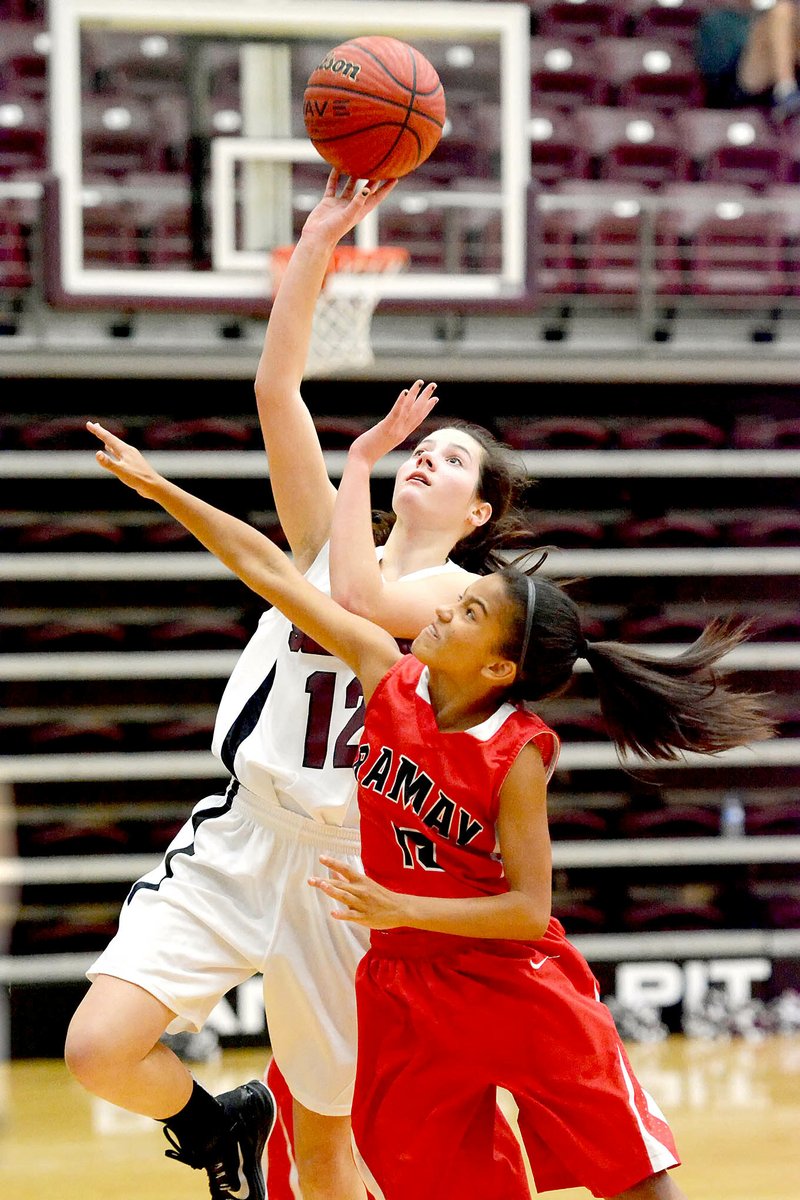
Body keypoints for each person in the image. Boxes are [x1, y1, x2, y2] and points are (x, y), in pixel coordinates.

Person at [82, 404, 773, 1200]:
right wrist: (157, 484)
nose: (444, 610)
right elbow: (272, 570)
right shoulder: (389, 678)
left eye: (467, 612)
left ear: (497, 670)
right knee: (436, 1178)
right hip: (407, 976)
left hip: (511, 981)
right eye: (455, 603)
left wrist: (396, 903)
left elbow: (527, 909)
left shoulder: (518, 755)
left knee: (635, 1172)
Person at [67, 172, 541, 1200]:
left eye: (449, 458)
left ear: (477, 512)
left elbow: (366, 603)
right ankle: (214, 1125)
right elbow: (276, 390)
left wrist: (362, 455)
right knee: (98, 1048)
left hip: (347, 869)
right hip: (244, 831)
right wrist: (319, 240)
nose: (424, 458)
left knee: (329, 1146)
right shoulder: (331, 537)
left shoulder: (468, 603)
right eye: (419, 446)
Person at [694, 1, 800, 120]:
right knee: (781, 12)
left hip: (774, 87)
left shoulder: (761, 14)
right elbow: (714, 78)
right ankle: (786, 90)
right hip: (739, 88)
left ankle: (787, 91)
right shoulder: (717, 20)